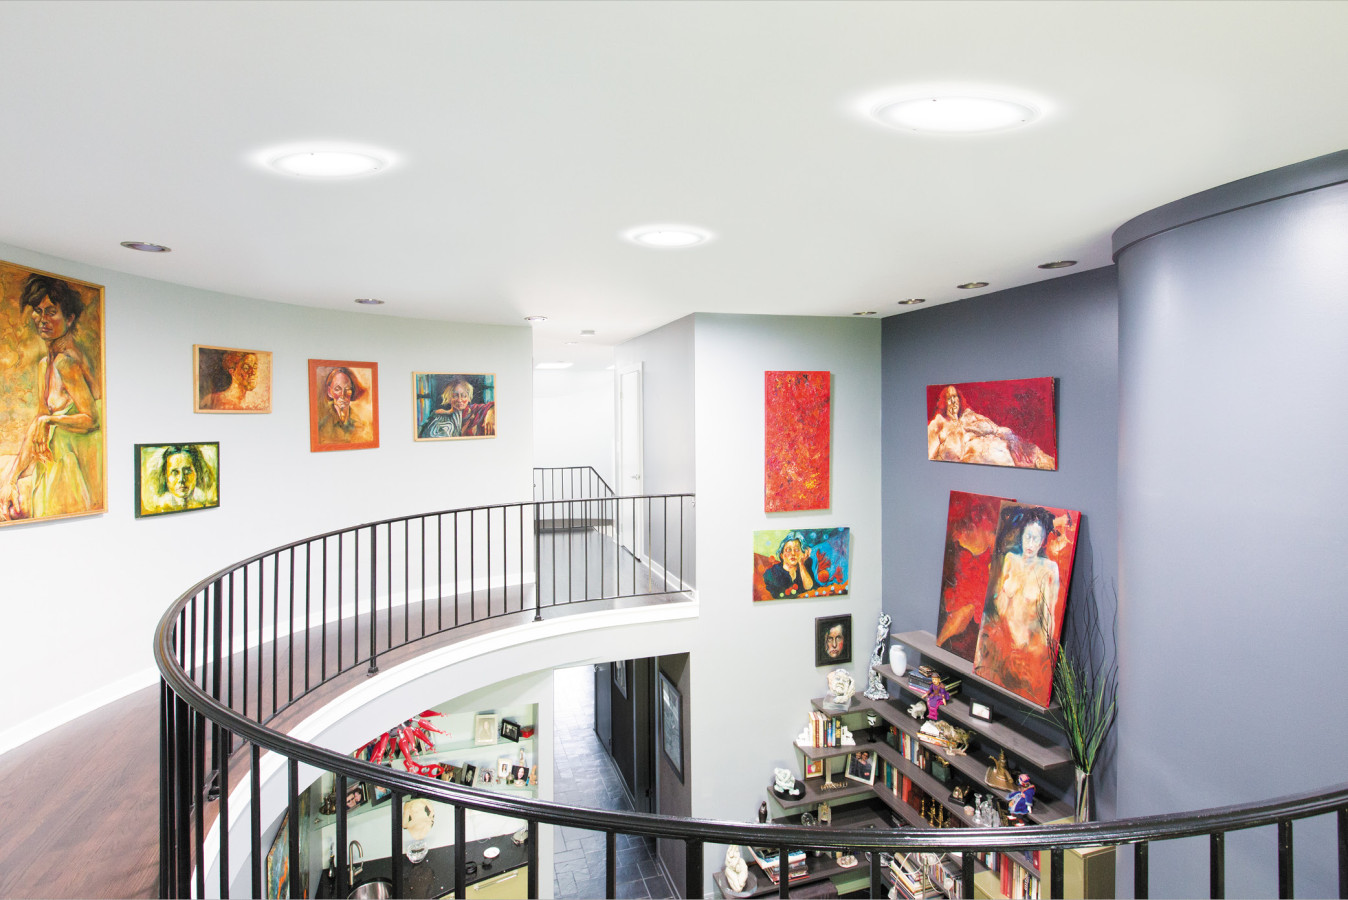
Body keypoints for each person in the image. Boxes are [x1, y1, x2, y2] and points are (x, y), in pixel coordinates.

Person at [0, 274, 102, 521]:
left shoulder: (67, 362)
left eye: (51, 312)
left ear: (69, 318)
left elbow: (92, 418)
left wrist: (50, 421)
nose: (43, 319)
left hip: (74, 467)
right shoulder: (44, 364)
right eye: (38, 311)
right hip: (53, 461)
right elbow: (38, 421)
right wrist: (11, 479)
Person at [974, 507, 1061, 698]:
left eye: (1036, 538)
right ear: (1022, 536)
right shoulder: (1010, 560)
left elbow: (1048, 618)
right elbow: (998, 609)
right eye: (1028, 536)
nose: (1030, 543)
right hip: (1002, 645)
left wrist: (1039, 654)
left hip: (1027, 653)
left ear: (1043, 541)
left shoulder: (1048, 569)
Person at [927, 384, 1055, 469]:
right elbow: (932, 458)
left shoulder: (969, 416)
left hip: (1005, 451)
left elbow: (995, 428)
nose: (953, 401)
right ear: (943, 402)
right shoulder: (938, 424)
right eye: (949, 398)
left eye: (955, 397)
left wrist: (1011, 439)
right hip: (985, 466)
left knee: (1034, 456)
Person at [418, 376, 495, 438]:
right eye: (455, 396)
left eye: (464, 396)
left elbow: (494, 405)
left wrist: (490, 414)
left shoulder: (476, 410)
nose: (459, 400)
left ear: (469, 398)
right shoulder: (440, 417)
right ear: (449, 398)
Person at [151, 444, 212, 512]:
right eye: (175, 473)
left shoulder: (205, 505)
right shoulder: (160, 508)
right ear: (165, 476)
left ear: (197, 472)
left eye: (187, 471)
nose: (181, 479)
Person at [316, 366, 367, 444]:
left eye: (347, 389)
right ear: (329, 392)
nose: (343, 395)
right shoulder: (323, 423)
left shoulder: (359, 422)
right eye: (337, 389)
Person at [762, 531, 817, 597]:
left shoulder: (806, 567)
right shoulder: (771, 573)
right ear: (781, 555)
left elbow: (809, 588)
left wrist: (801, 563)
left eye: (797, 550)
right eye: (788, 550)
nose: (793, 553)